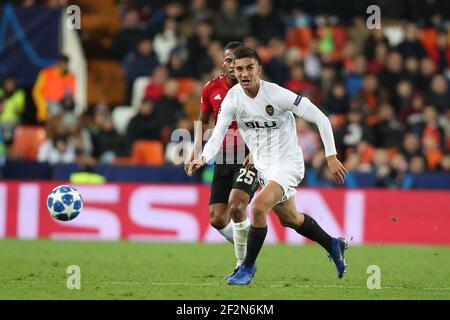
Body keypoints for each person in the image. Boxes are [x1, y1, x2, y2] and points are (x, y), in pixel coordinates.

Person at [187, 47, 348, 285]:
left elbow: (321, 118)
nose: (243, 73)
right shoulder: (233, 99)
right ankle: (333, 244)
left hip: (288, 164)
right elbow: (218, 133)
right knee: (290, 219)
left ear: (258, 69)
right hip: (263, 166)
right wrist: (202, 156)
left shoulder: (277, 95)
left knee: (259, 207)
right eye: (239, 68)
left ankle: (246, 268)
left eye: (249, 68)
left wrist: (331, 156)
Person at [185, 42, 259, 280]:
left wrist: (258, 150)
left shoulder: (253, 89)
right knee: (217, 218)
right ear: (223, 62)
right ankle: (248, 250)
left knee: (237, 208)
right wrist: (197, 151)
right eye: (228, 60)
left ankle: (244, 264)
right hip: (224, 155)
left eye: (235, 62)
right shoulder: (210, 89)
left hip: (249, 156)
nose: (231, 66)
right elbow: (203, 121)